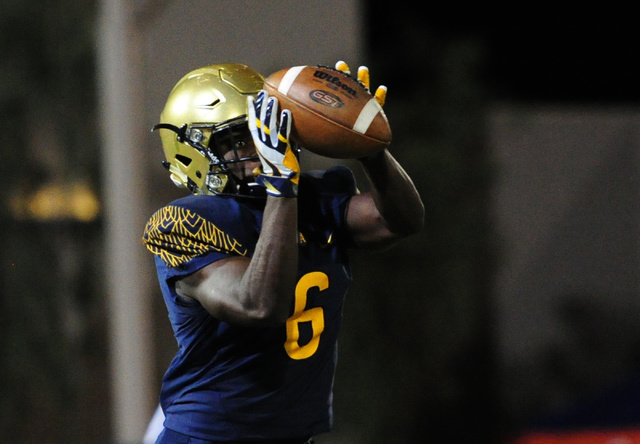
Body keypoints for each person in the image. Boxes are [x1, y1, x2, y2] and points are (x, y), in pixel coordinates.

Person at [142, 61, 424, 444]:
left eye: (261, 133)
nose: (256, 150)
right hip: (210, 437)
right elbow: (258, 304)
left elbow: (400, 220)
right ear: (191, 150)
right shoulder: (184, 222)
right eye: (236, 140)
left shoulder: (310, 197)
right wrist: (281, 187)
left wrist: (370, 150)